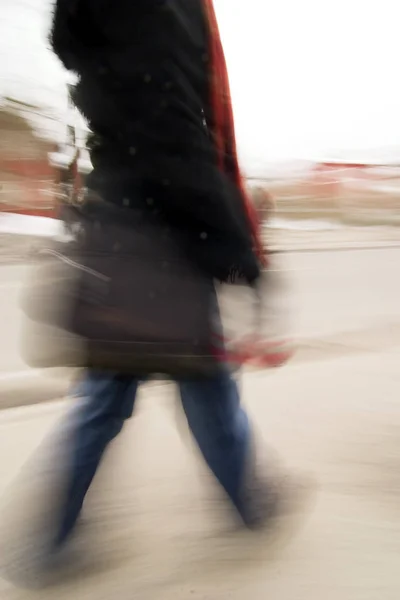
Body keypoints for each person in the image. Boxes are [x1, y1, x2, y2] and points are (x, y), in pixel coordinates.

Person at [38, 0, 306, 566]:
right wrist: (238, 249)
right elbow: (177, 134)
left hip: (116, 218)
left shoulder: (99, 26)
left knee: (109, 394)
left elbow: (96, 70)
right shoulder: (167, 11)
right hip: (170, 236)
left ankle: (52, 539)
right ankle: (250, 505)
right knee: (204, 383)